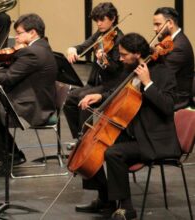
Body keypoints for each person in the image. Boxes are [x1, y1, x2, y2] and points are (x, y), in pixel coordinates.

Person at [76, 33, 181, 220]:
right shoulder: (130, 68)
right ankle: (105, 197)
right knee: (90, 146)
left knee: (113, 153)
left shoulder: (163, 72)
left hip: (152, 138)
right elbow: (117, 88)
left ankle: (127, 208)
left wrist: (148, 83)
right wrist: (100, 96)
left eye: (124, 54)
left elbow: (168, 106)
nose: (121, 58)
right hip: (132, 131)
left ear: (137, 53)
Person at [0, 13, 57, 178]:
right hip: (34, 100)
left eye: (19, 33)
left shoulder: (33, 52)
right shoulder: (41, 46)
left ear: (32, 33)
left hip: (33, 108)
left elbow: (9, 78)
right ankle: (13, 155)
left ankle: (1, 162)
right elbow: (14, 70)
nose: (16, 37)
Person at [64, 2, 124, 140]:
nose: (99, 23)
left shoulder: (120, 40)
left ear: (113, 18)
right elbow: (84, 45)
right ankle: (79, 136)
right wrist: (73, 49)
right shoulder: (100, 34)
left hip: (110, 85)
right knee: (70, 99)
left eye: (102, 20)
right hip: (95, 82)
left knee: (83, 98)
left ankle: (87, 139)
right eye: (97, 20)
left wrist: (103, 60)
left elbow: (115, 69)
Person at [153, 7, 194, 110]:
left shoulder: (179, 46)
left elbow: (162, 76)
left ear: (170, 23)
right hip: (168, 93)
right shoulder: (170, 41)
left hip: (176, 100)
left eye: (157, 24)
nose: (154, 29)